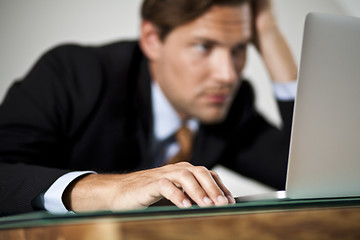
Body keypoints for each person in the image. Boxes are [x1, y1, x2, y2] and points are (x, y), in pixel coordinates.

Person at [0, 0, 297, 216]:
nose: (228, 75)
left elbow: (308, 174)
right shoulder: (74, 74)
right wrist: (111, 190)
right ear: (152, 40)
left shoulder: (231, 104)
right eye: (204, 47)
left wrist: (269, 34)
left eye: (239, 48)